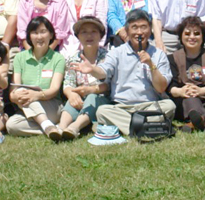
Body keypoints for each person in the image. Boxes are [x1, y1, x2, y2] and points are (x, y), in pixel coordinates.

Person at [70, 10, 174, 138]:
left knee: (170, 106)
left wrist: (151, 64)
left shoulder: (158, 54)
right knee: (102, 111)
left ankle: (130, 127)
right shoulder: (116, 53)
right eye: (134, 27)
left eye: (143, 27)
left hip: (149, 106)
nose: (139, 32)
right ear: (127, 30)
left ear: (150, 29)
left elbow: (161, 88)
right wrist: (92, 69)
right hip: (122, 107)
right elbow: (103, 71)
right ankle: (145, 127)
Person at [6, 17, 68, 140]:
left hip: (51, 104)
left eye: (43, 32)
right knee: (11, 125)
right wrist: (15, 97)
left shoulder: (58, 58)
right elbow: (14, 90)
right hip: (26, 104)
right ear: (29, 36)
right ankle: (51, 127)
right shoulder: (20, 57)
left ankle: (46, 124)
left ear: (51, 35)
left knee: (27, 96)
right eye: (35, 33)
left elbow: (54, 89)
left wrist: (36, 95)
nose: (39, 37)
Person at [57, 17, 110, 138]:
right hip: (81, 96)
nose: (89, 35)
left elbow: (110, 85)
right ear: (78, 36)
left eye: (93, 31)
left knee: (92, 97)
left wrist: (91, 90)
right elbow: (68, 83)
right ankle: (61, 127)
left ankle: (75, 127)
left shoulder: (108, 57)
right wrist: (71, 94)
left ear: (101, 36)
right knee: (72, 99)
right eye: (84, 32)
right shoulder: (74, 58)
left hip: (102, 98)